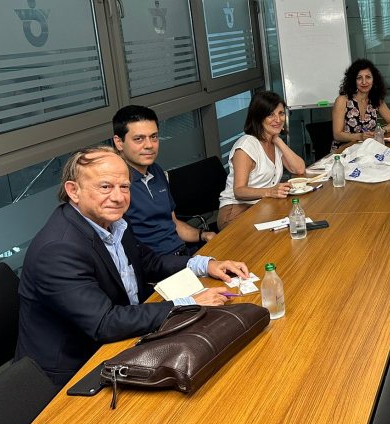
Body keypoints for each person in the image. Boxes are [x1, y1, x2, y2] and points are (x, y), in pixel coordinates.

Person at [16, 146, 249, 388]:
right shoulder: (58, 249)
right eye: (105, 187)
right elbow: (104, 323)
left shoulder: (112, 220)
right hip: (75, 373)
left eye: (124, 187)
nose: (118, 197)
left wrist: (205, 264)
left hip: (124, 339)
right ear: (73, 191)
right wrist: (189, 303)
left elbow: (148, 262)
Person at [112, 105, 215, 255]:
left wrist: (203, 235)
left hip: (182, 252)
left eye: (153, 137)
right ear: (119, 142)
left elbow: (173, 223)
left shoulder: (156, 170)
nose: (149, 145)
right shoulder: (115, 184)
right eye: (139, 139)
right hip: (157, 263)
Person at [218, 91, 306, 229]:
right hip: (235, 213)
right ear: (259, 117)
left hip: (263, 206)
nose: (278, 119)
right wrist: (270, 191)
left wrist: (277, 140)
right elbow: (239, 191)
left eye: (281, 113)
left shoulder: (273, 142)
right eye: (270, 115)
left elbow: (299, 169)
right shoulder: (246, 145)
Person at [331, 59, 390, 151]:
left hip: (367, 149)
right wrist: (360, 136)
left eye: (368, 77)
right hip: (343, 151)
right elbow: (337, 135)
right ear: (353, 80)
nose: (364, 82)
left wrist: (380, 131)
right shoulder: (342, 100)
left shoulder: (376, 100)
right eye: (359, 78)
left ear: (374, 80)